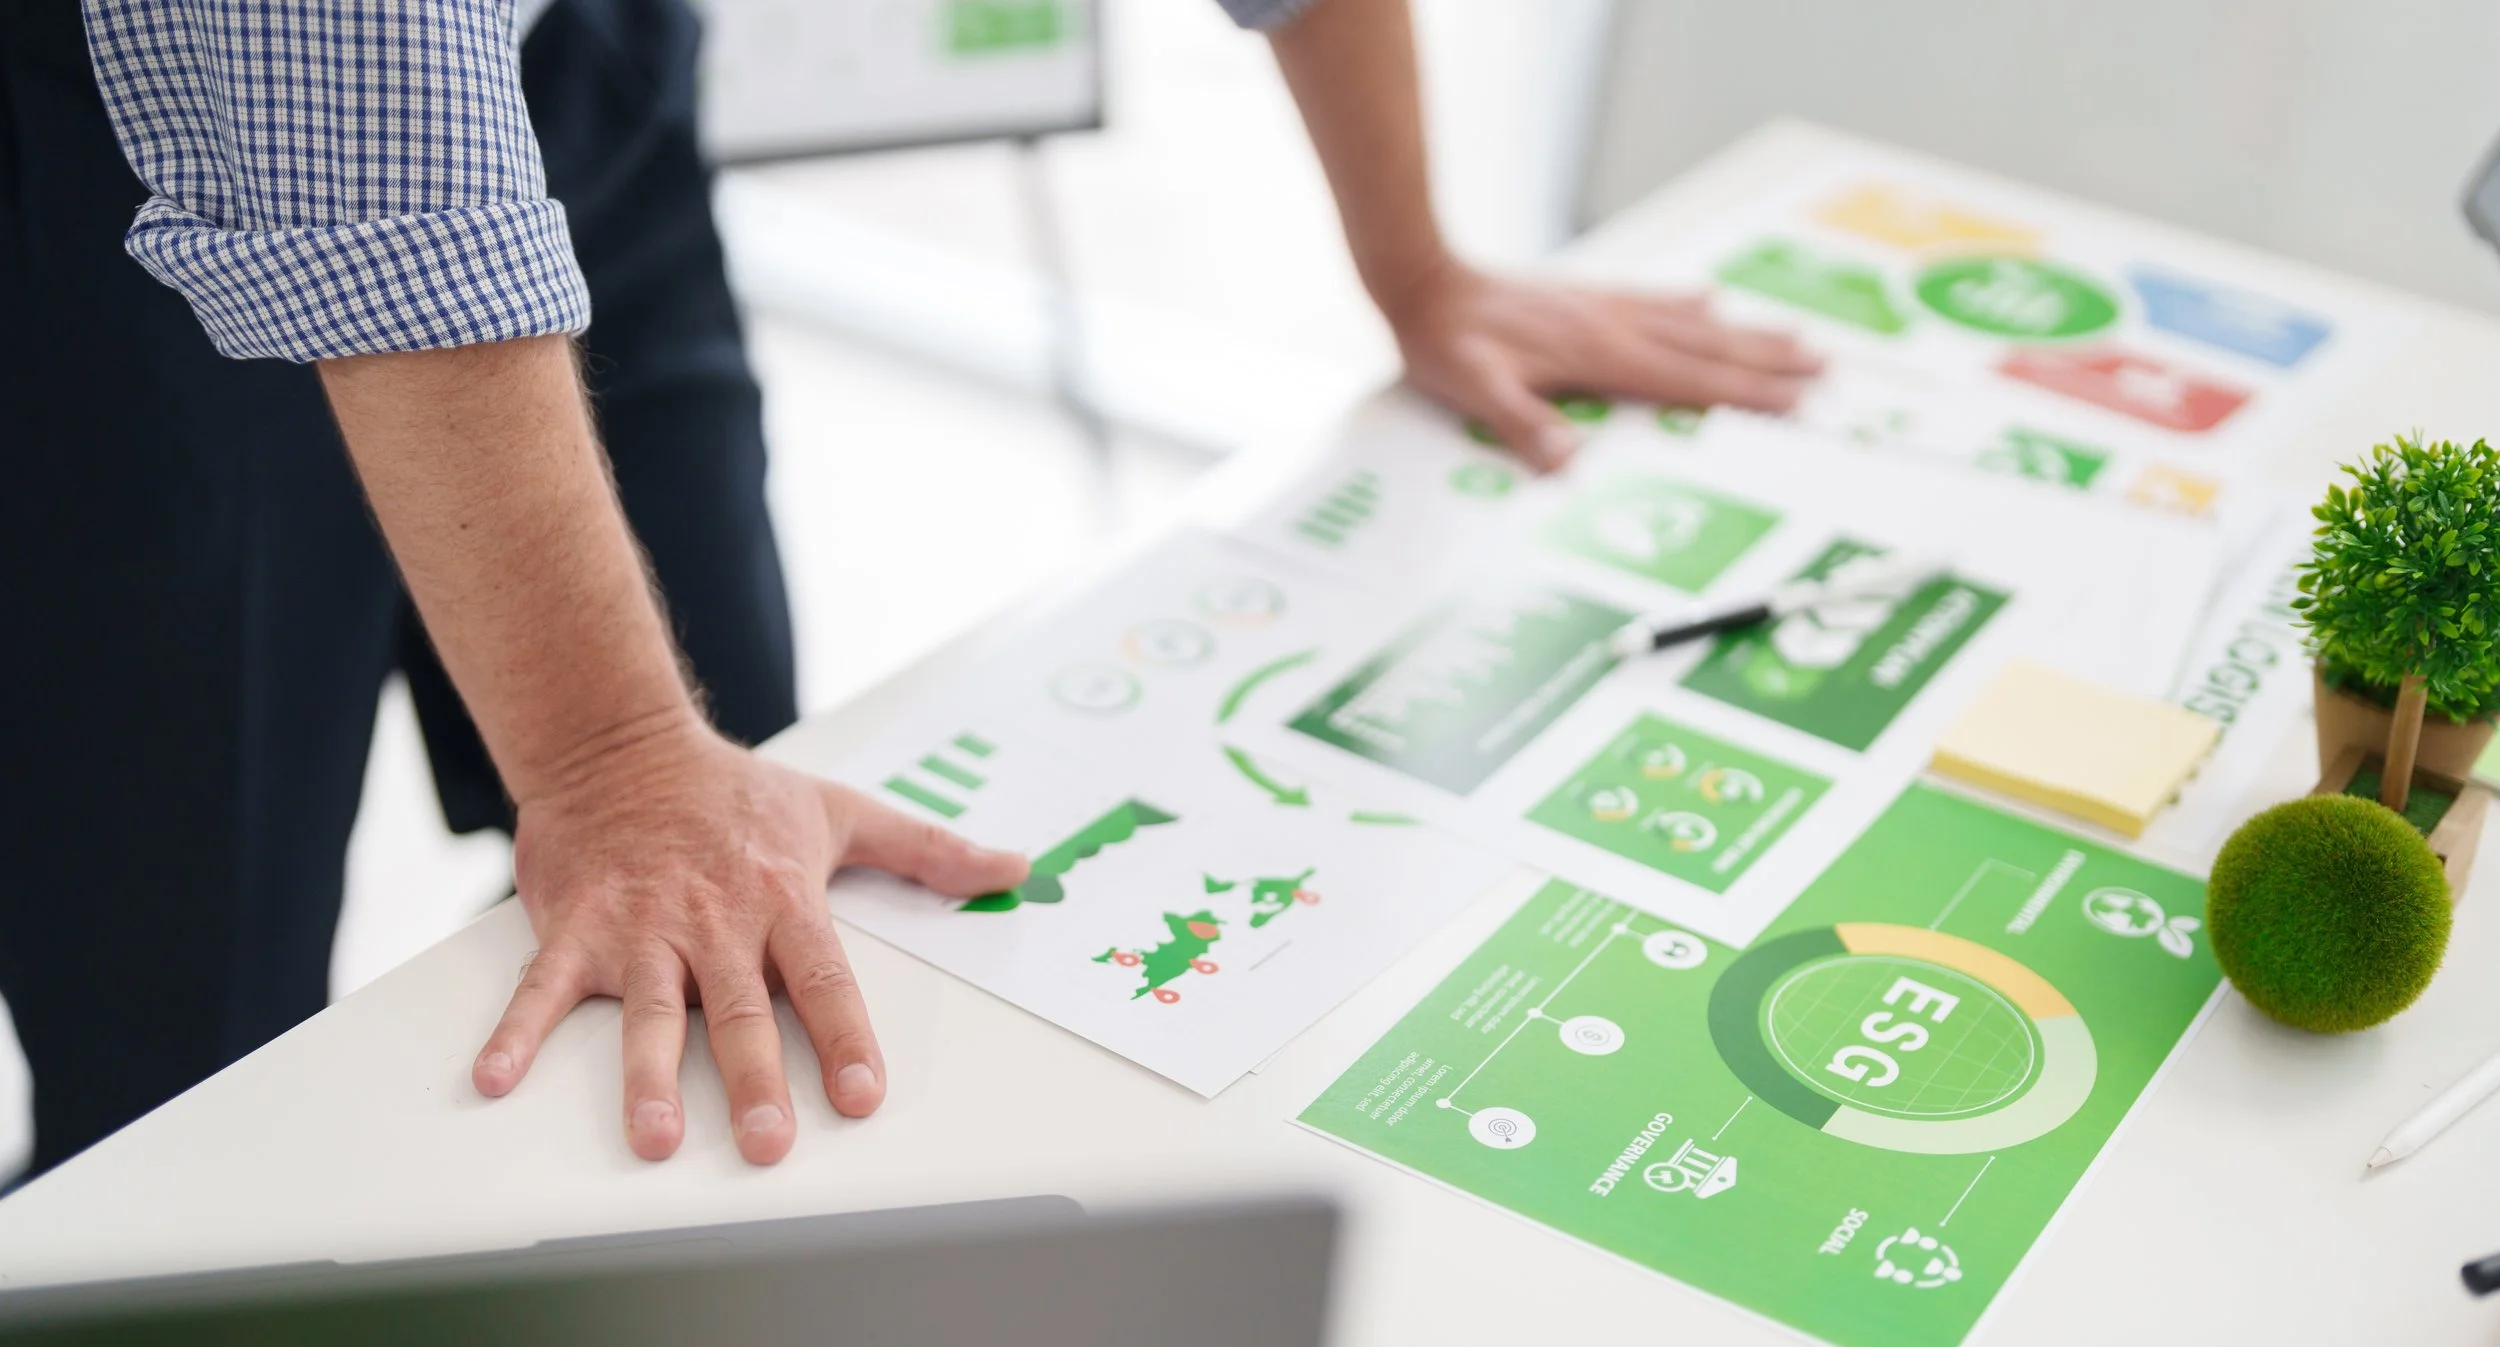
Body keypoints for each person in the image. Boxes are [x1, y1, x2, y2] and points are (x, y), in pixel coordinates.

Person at [0, 0, 1817, 1181]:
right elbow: (357, 174)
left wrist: (1420, 267)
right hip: (120, 126)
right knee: (190, 1029)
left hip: (573, 54)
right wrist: (618, 765)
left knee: (745, 826)